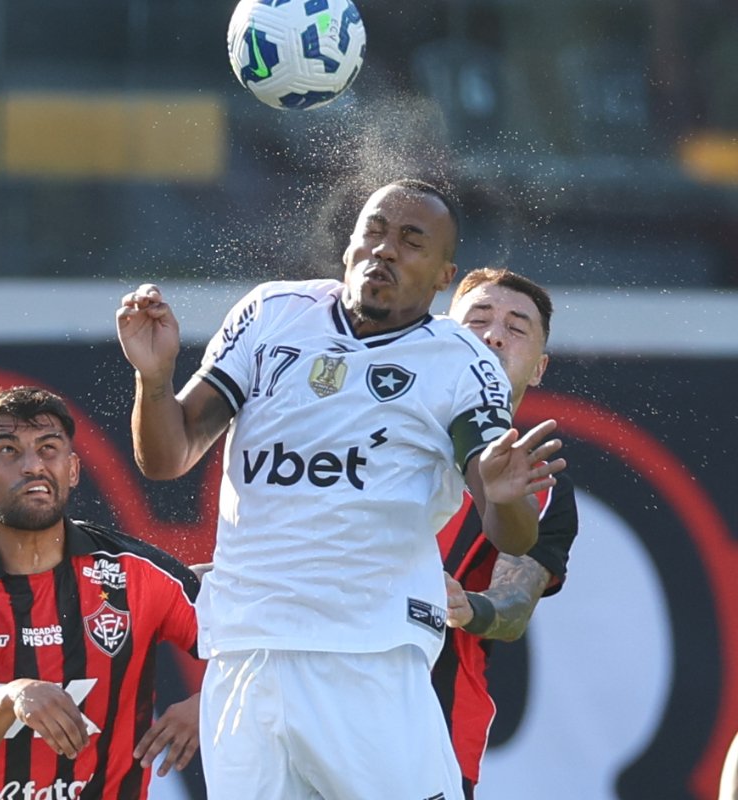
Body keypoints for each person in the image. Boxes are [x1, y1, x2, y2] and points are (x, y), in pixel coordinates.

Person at [116, 179, 566, 798]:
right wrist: (156, 378)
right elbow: (168, 457)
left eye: (411, 242)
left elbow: (507, 531)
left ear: (443, 275)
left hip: (368, 656)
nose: (384, 250)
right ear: (350, 244)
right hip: (245, 654)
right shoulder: (272, 313)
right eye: (373, 232)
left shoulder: (459, 362)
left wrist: (507, 495)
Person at [0, 386, 201, 800]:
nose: (33, 466)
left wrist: (207, 704)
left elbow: (262, 642)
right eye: (8, 450)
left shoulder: (136, 572)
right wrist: (10, 699)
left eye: (48, 448)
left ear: (72, 470)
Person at [435, 268, 579, 798]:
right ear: (436, 335)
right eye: (476, 318)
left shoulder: (540, 490)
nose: (493, 334)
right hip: (301, 699)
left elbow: (513, 608)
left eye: (516, 328)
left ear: (538, 368)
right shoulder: (357, 436)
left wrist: (466, 606)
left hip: (430, 727)